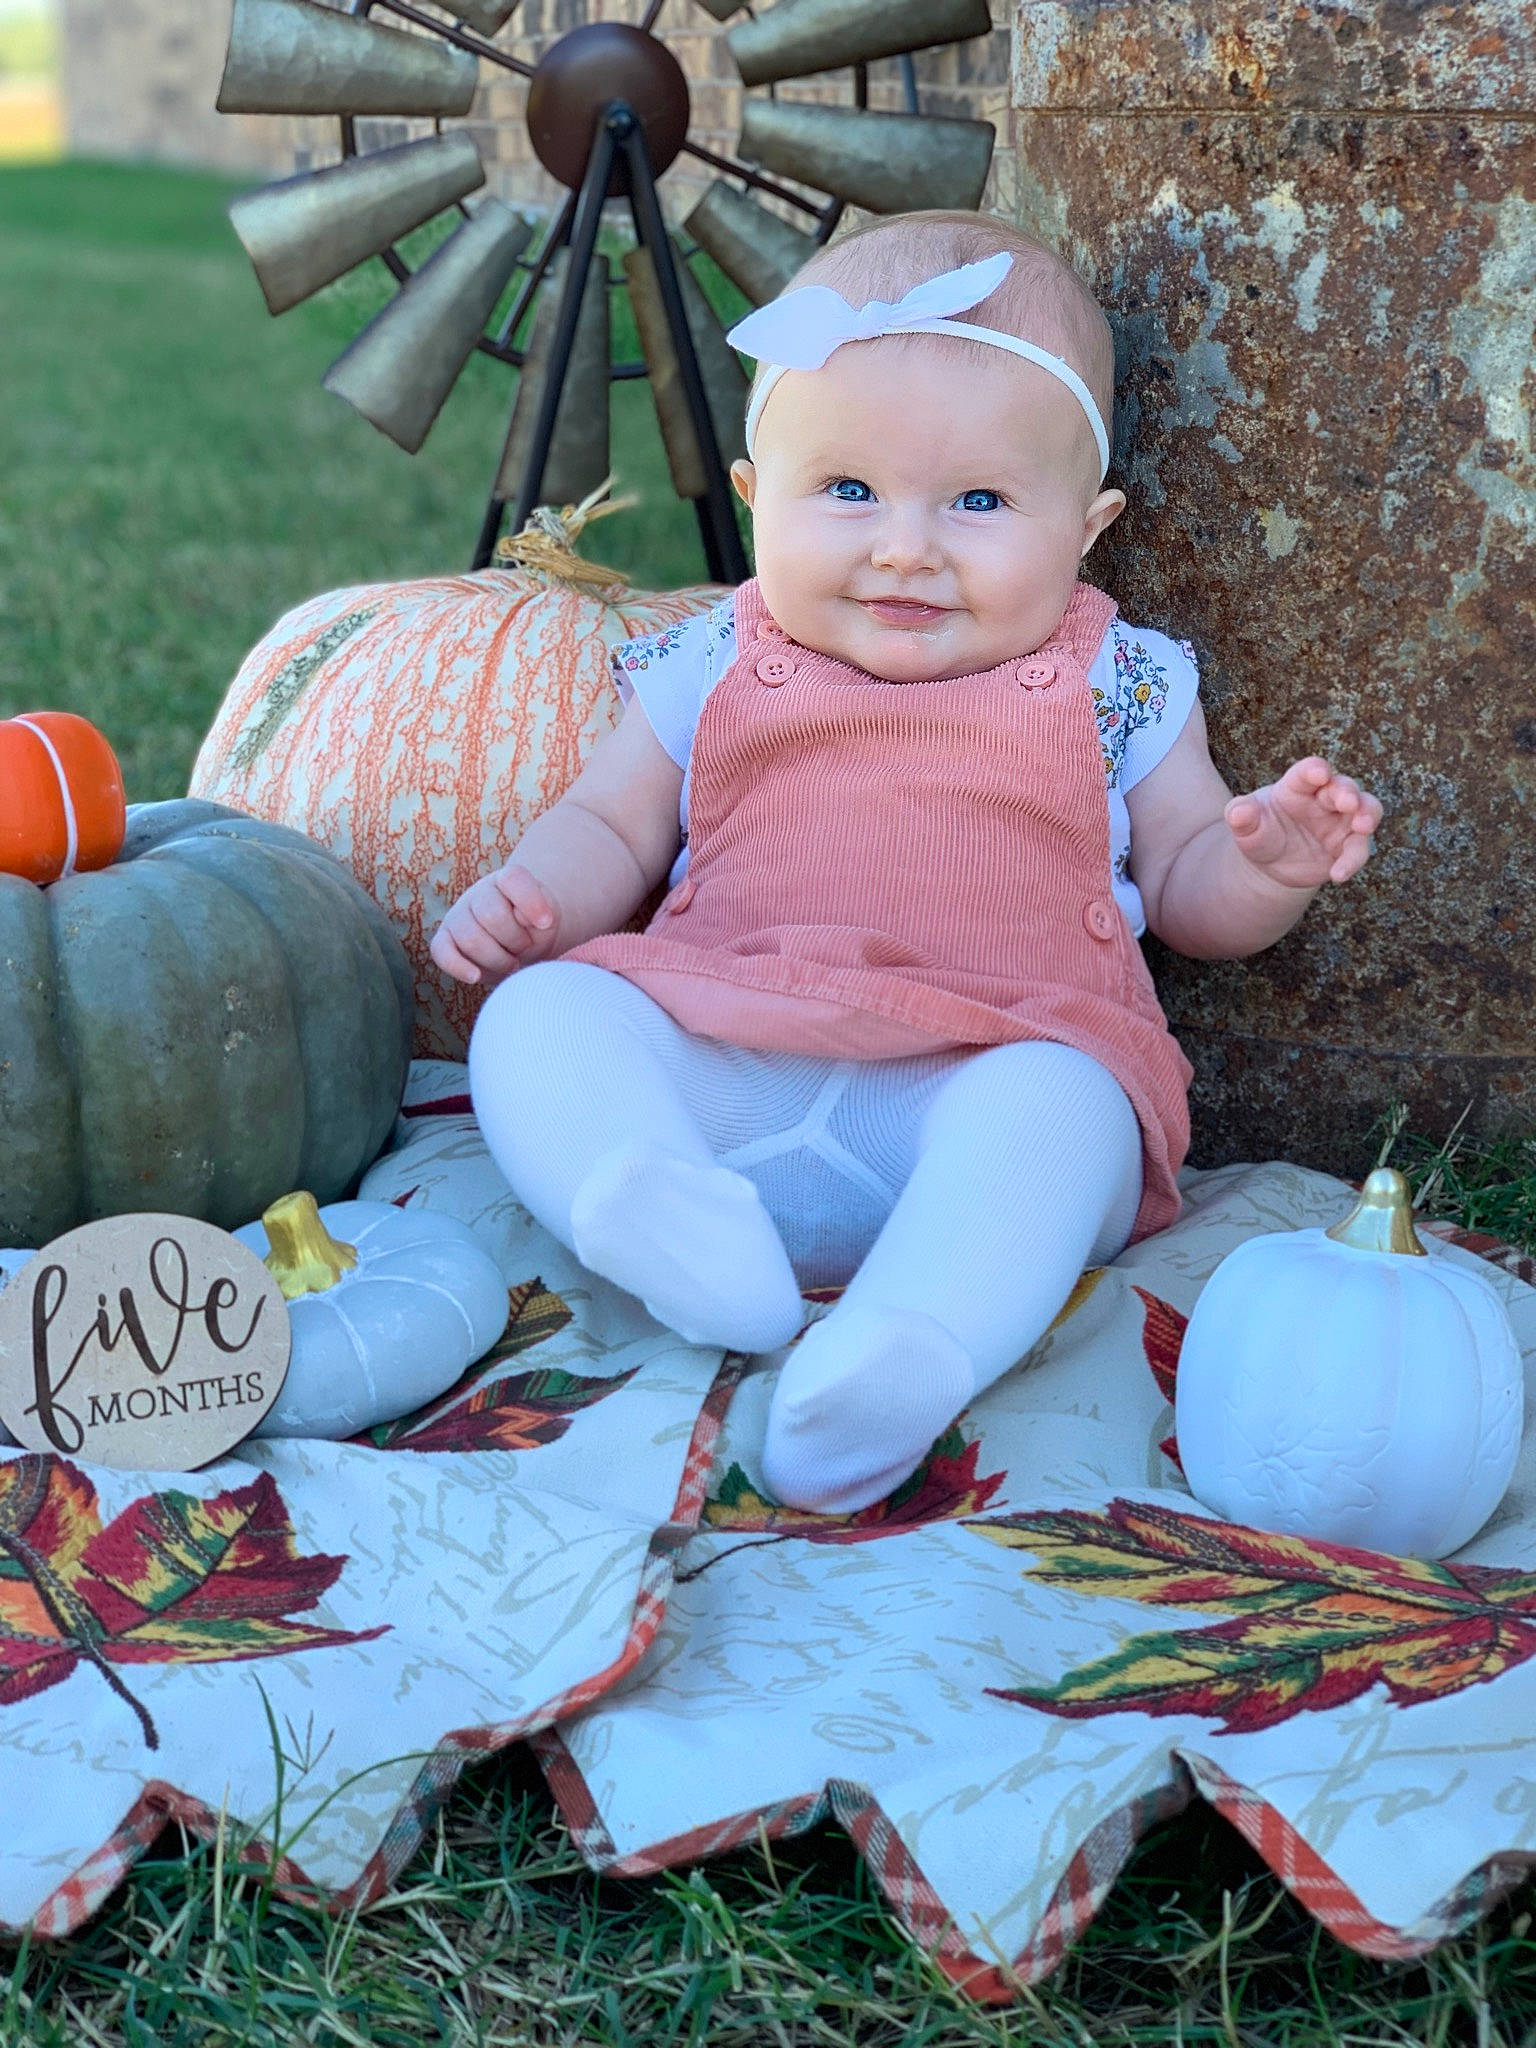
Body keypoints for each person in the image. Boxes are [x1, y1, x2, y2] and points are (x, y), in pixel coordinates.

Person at [431, 211, 1381, 1516]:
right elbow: (609, 827)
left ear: (1088, 526)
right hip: (728, 1072)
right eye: (849, 491)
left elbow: (1189, 894)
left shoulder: (1118, 680)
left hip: (976, 1089)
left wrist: (1260, 862)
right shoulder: (712, 658)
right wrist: (535, 903)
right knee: (543, 1018)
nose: (904, 546)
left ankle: (906, 1350)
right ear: (759, 496)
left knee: (1071, 1109)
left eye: (980, 501)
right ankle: (645, 1205)